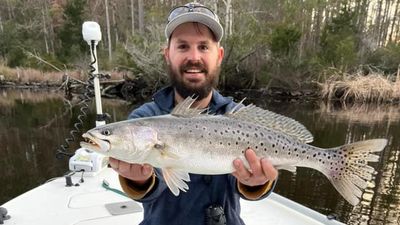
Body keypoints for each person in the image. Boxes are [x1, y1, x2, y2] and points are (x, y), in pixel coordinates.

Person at [109, 2, 278, 225]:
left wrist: (256, 181)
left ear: (219, 55)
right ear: (167, 54)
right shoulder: (144, 119)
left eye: (203, 47)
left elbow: (248, 188)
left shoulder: (238, 115)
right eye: (182, 46)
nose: (194, 57)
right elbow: (152, 185)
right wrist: (138, 179)